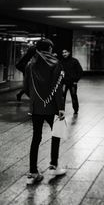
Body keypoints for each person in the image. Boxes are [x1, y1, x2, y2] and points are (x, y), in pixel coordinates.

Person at [24, 39, 66, 185]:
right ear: (49, 48)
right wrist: (61, 107)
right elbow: (58, 87)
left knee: (36, 137)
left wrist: (36, 100)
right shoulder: (56, 63)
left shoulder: (30, 64)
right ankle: (53, 166)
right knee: (57, 133)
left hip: (36, 107)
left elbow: (26, 87)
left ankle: (33, 172)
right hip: (53, 107)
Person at [61, 49, 83, 115]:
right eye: (63, 52)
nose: (64, 54)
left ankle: (76, 110)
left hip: (72, 82)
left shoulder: (74, 61)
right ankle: (62, 110)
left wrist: (76, 80)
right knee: (62, 97)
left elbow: (80, 71)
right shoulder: (61, 62)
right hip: (64, 83)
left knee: (73, 96)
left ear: (69, 52)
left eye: (65, 52)